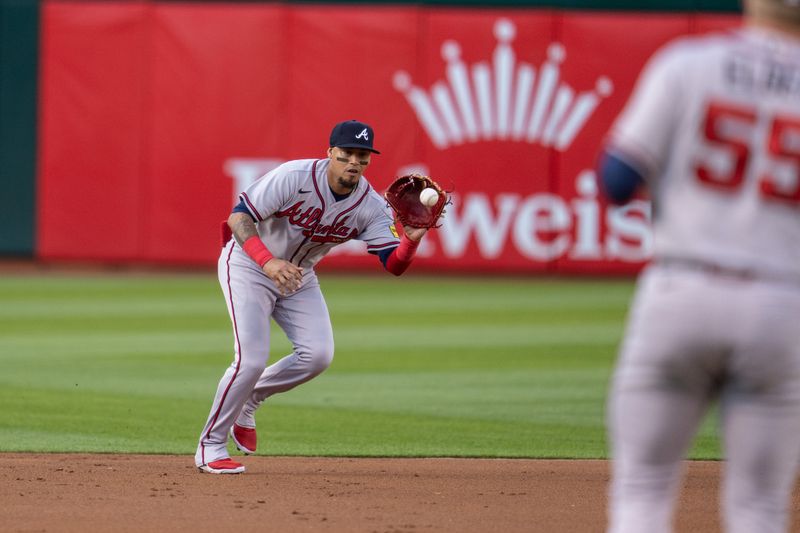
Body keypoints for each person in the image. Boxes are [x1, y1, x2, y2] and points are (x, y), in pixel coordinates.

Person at [598, 1, 800, 531]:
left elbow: (617, 179)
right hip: (782, 303)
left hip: (681, 288)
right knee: (761, 506)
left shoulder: (688, 64)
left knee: (643, 490)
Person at [195, 119, 429, 474]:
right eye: (347, 153)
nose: (354, 161)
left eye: (362, 155)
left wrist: (411, 239)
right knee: (251, 359)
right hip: (248, 264)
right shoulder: (295, 176)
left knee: (318, 355)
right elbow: (239, 218)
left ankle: (250, 399)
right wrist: (268, 262)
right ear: (331, 153)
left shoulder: (369, 204)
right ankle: (210, 445)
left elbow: (393, 264)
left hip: (300, 276)